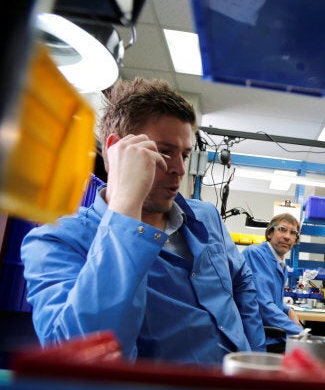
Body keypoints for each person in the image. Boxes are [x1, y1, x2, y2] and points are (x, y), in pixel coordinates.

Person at [20, 77, 265, 365]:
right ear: (115, 151)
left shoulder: (206, 216)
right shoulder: (57, 241)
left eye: (185, 155)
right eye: (164, 152)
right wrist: (126, 208)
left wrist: (255, 360)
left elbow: (242, 282)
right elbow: (81, 359)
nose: (179, 169)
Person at [242, 213, 304, 352]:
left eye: (293, 233)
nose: (287, 236)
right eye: (282, 229)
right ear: (270, 233)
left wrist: (289, 310)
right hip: (257, 337)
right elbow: (263, 305)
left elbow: (273, 301)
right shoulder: (255, 254)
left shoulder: (281, 264)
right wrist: (300, 333)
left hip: (271, 334)